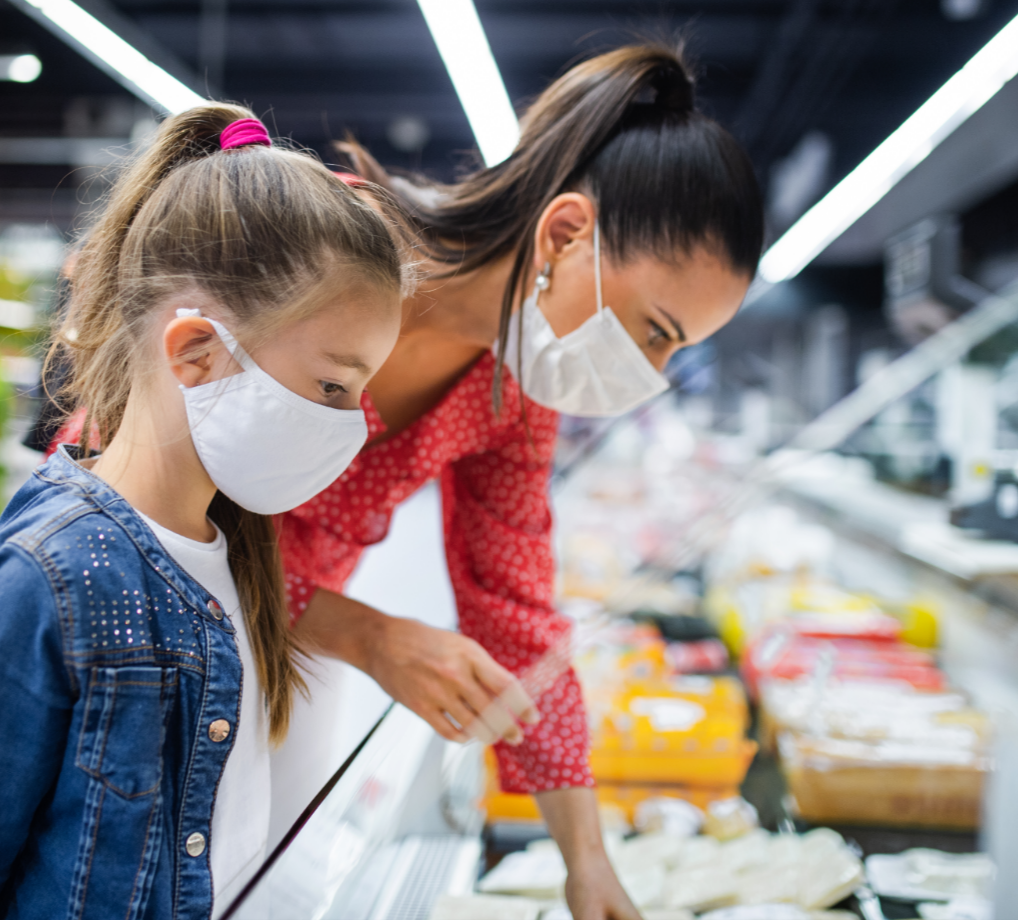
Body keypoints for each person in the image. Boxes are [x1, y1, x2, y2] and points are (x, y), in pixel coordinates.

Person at [0, 104, 406, 920]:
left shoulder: (237, 553)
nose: (353, 422)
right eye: (333, 385)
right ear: (195, 351)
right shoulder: (52, 578)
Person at [279, 43, 764, 920]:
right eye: (655, 331)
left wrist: (586, 862)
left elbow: (514, 612)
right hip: (113, 615)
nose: (650, 372)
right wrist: (371, 637)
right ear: (566, 233)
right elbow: (147, 515)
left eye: (675, 352)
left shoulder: (510, 388)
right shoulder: (327, 253)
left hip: (278, 651)